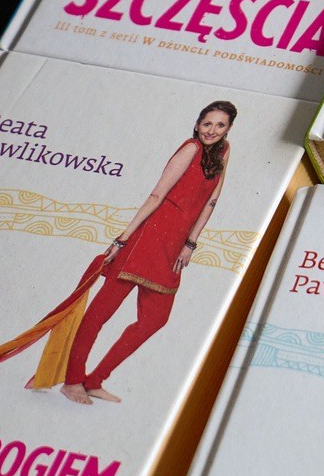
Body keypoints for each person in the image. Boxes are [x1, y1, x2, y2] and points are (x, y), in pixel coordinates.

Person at [60, 102, 235, 404]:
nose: (212, 130)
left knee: (155, 319)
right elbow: (157, 194)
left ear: (228, 128)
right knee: (101, 312)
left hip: (174, 247)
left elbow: (211, 200)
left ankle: (95, 380)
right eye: (207, 123)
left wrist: (190, 243)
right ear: (197, 124)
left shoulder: (224, 151)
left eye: (220, 125)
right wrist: (122, 239)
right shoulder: (190, 149)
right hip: (147, 239)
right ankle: (72, 380)